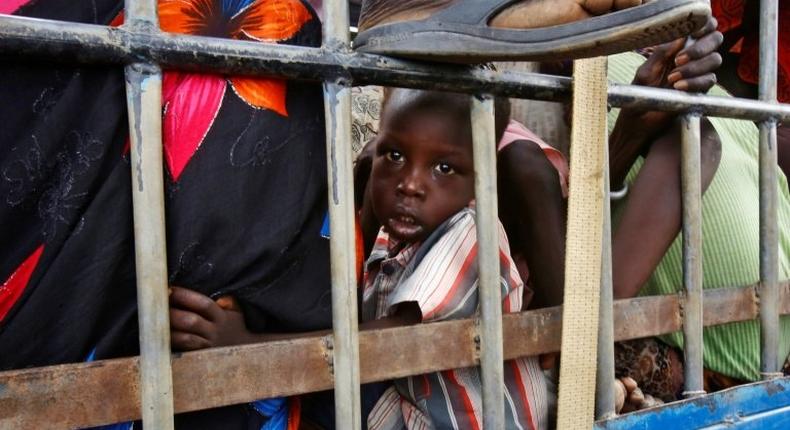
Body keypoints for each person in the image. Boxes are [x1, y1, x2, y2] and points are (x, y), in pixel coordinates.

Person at [359, 88, 548, 429]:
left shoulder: (472, 232)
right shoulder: (395, 233)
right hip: (416, 407)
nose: (411, 185)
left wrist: (249, 348)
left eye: (444, 168)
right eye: (395, 155)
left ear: (481, 179)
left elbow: (384, 344)